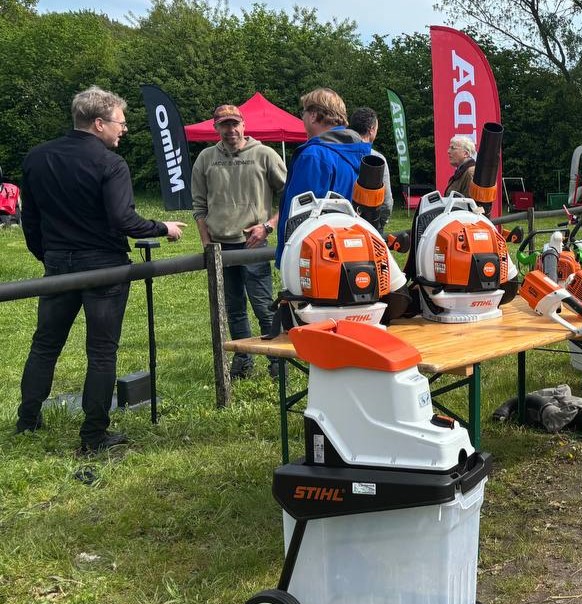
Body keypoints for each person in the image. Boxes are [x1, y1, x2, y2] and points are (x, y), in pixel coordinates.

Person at [16, 86, 185, 454]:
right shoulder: (110, 164)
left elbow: (29, 219)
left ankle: (27, 421)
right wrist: (163, 227)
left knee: (45, 344)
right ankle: (93, 436)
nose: (123, 129)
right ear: (98, 123)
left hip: (59, 263)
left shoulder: (37, 157)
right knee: (102, 351)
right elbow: (122, 218)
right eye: (120, 123)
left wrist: (48, 255)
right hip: (104, 267)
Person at [192, 103, 287, 380]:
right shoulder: (206, 159)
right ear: (216, 128)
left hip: (253, 245)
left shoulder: (264, 154)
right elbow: (199, 205)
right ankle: (243, 359)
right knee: (233, 308)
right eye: (224, 124)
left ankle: (276, 360)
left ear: (243, 125)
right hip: (220, 247)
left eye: (235, 124)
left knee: (262, 305)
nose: (230, 130)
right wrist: (207, 243)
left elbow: (290, 194)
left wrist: (268, 227)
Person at [276, 88, 370, 265]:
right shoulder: (362, 153)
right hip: (351, 250)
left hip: (315, 257)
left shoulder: (314, 155)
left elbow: (300, 213)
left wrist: (290, 259)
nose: (302, 118)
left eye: (303, 113)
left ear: (313, 115)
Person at [348, 107, 393, 233]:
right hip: (369, 226)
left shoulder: (337, 154)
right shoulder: (377, 159)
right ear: (372, 130)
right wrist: (380, 225)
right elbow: (386, 202)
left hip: (342, 224)